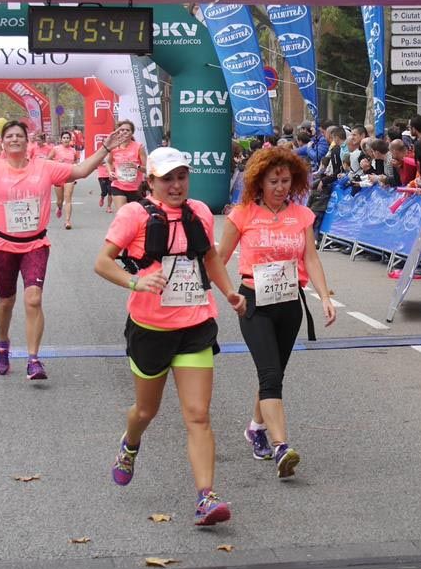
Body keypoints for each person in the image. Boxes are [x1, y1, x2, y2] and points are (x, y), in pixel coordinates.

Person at [95, 146, 245, 525]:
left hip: (195, 324)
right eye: (167, 178)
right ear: (151, 182)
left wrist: (228, 292)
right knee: (146, 410)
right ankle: (130, 445)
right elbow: (101, 262)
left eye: (181, 176)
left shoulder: (199, 213)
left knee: (198, 415)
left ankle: (206, 497)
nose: (176, 185)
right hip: (150, 329)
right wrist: (137, 282)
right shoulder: (133, 215)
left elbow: (209, 257)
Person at [0, 102, 117, 379]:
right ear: (2, 143)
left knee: (34, 299)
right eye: (9, 136)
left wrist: (106, 148)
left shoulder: (45, 167)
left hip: (35, 245)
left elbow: (82, 170)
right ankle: (3, 344)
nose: (14, 139)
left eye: (19, 136)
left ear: (28, 142)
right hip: (2, 245)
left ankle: (34, 359)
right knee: (6, 301)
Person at [218, 148, 337, 479]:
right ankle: (281, 446)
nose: (281, 187)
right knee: (270, 374)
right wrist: (227, 293)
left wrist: (324, 296)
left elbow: (310, 258)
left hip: (289, 304)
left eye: (286, 180)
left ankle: (256, 427)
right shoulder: (242, 214)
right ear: (259, 181)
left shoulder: (300, 215)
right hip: (254, 303)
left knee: (274, 374)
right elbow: (219, 257)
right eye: (274, 181)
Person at [106, 120, 149, 212]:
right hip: (118, 186)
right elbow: (108, 162)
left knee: (134, 216)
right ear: (118, 132)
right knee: (123, 213)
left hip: (136, 188)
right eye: (122, 130)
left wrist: (136, 166)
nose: (124, 132)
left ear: (132, 133)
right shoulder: (114, 147)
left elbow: (147, 169)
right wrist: (110, 172)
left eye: (127, 130)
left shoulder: (139, 147)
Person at [48, 131, 80, 230]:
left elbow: (76, 161)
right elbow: (47, 160)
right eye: (64, 138)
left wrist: (75, 166)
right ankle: (59, 207)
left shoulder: (73, 151)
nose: (66, 139)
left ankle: (67, 221)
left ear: (70, 140)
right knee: (60, 200)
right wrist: (57, 162)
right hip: (58, 177)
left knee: (68, 199)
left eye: (67, 138)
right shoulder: (56, 149)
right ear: (61, 139)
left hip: (69, 177)